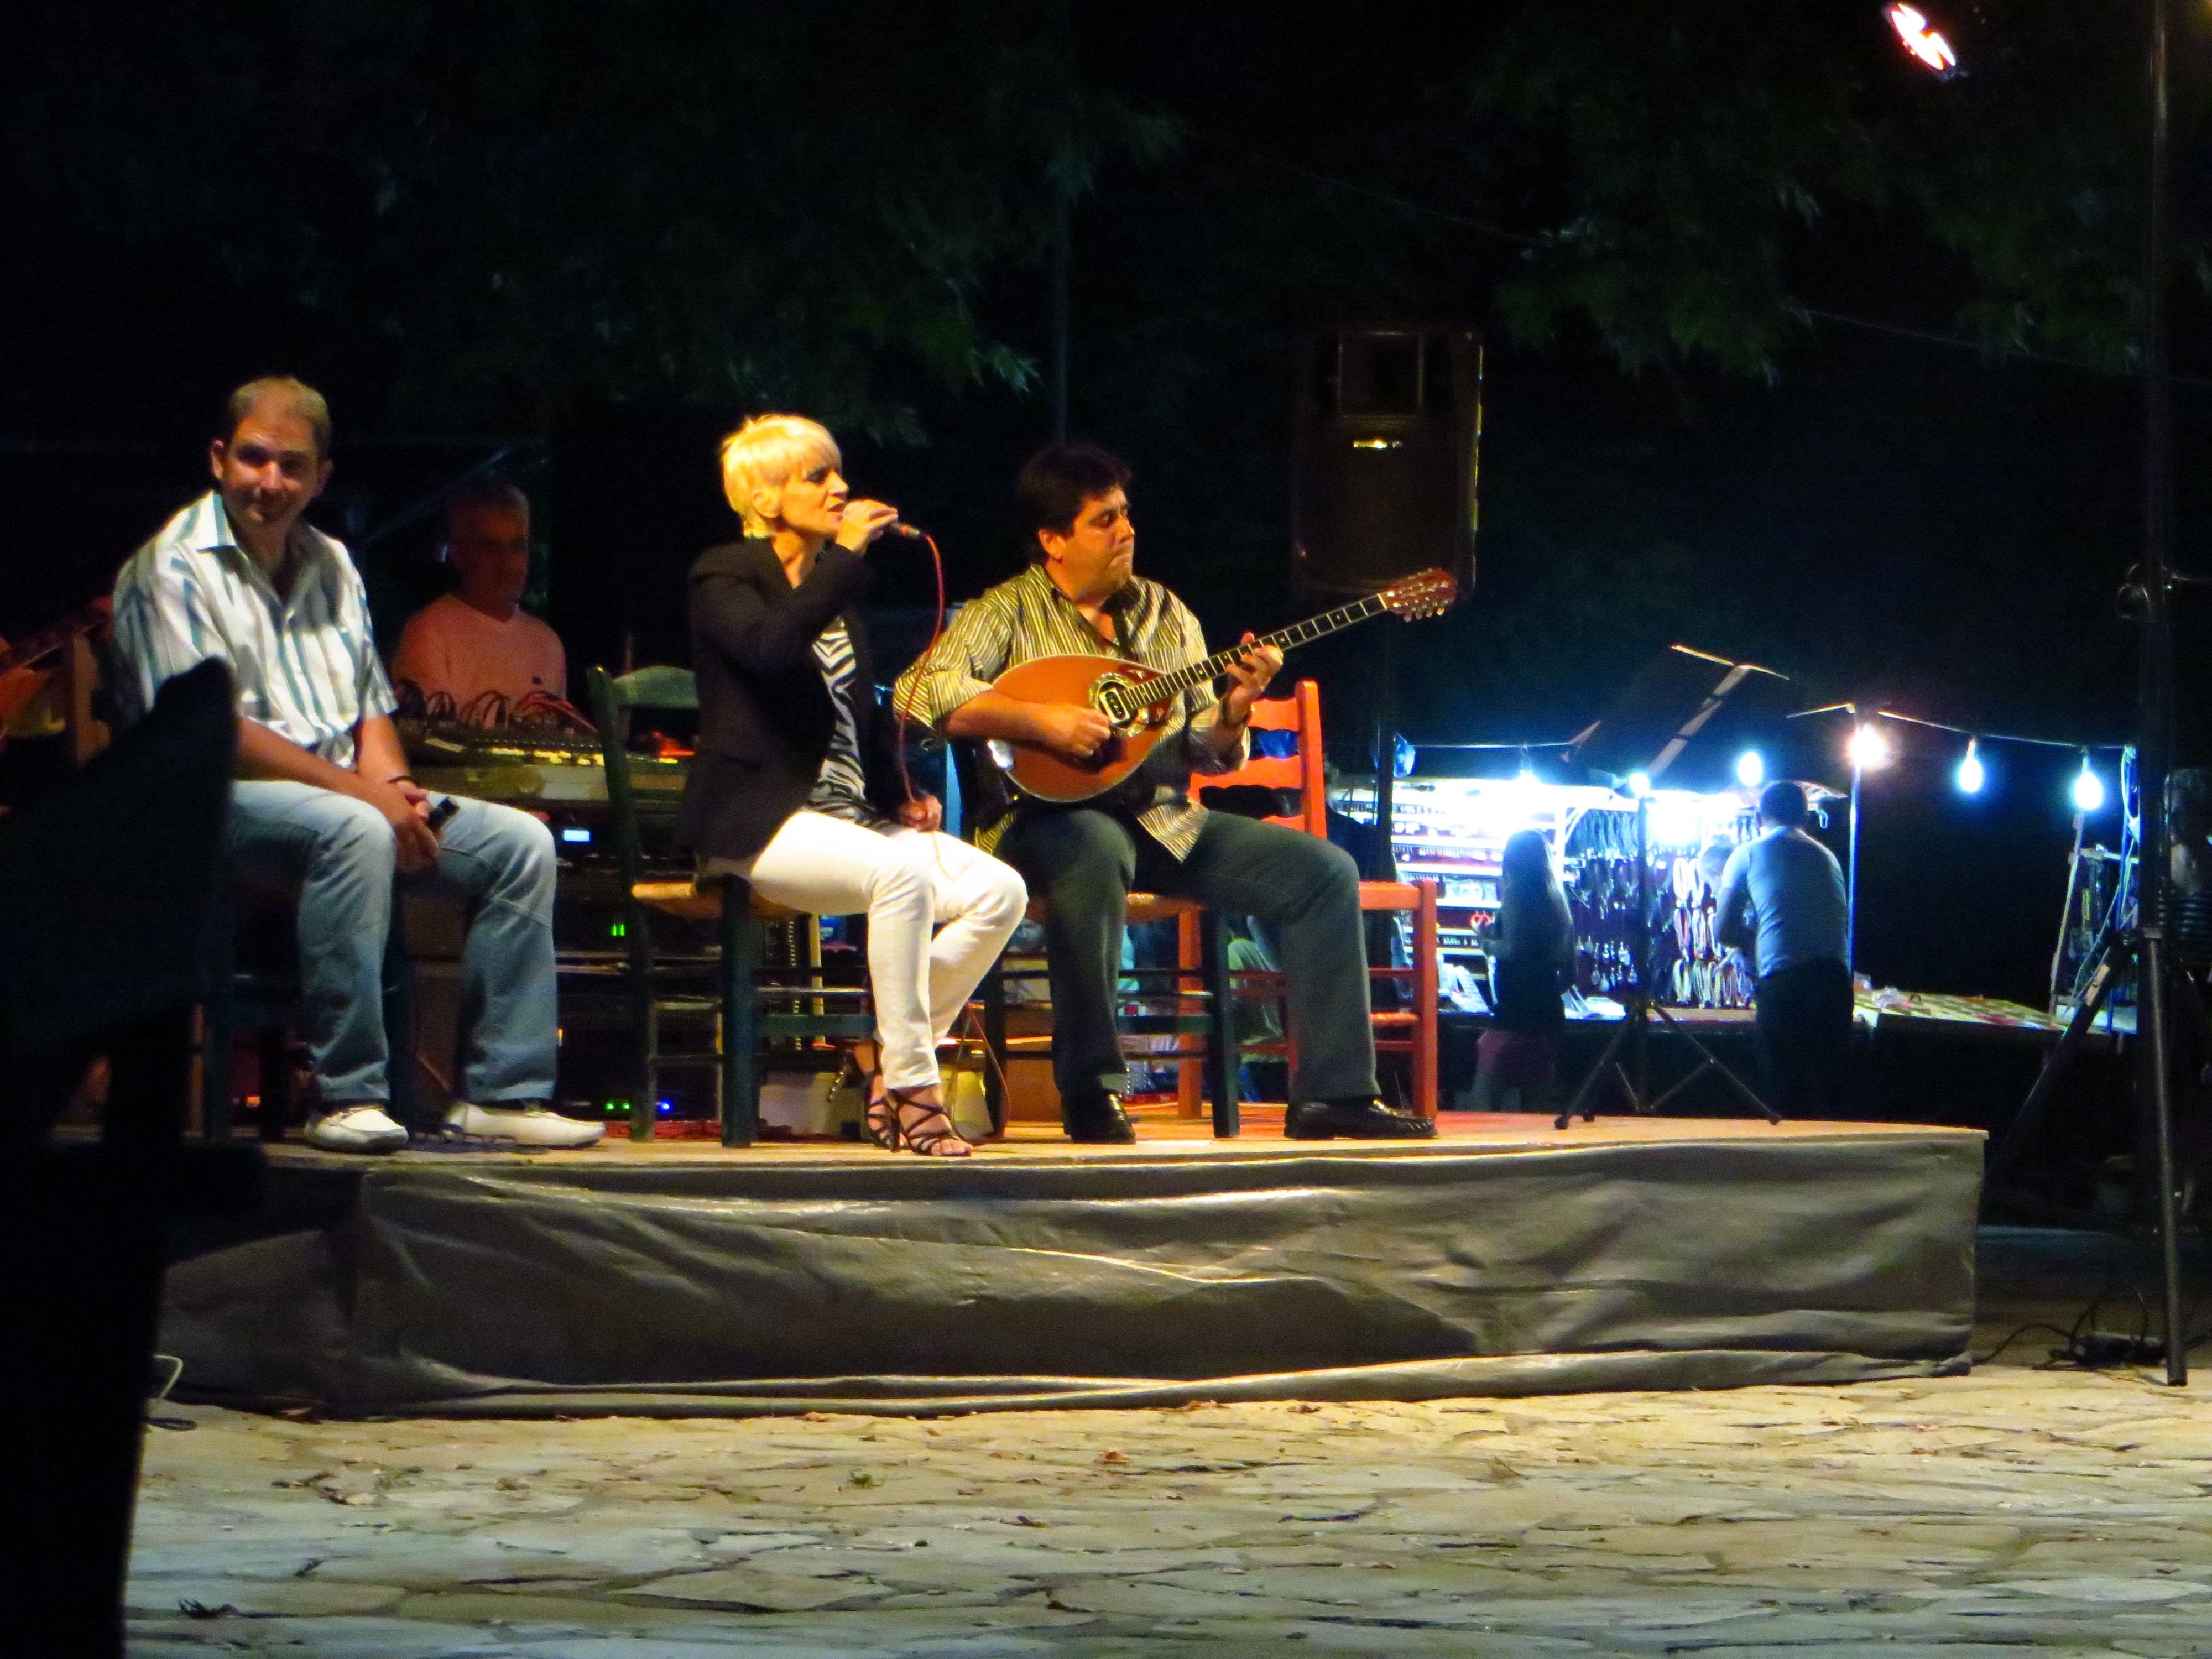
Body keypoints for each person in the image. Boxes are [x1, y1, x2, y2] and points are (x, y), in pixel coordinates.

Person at [894, 441, 1433, 1143]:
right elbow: (918, 692)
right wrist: (1041, 722)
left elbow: (1203, 747)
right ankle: (1092, 1090)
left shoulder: (1166, 613)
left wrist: (1235, 709)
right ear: (1054, 540)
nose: (1126, 531)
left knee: (1323, 871)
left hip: (1161, 818)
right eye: (1104, 520)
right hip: (1044, 821)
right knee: (1094, 847)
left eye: (1126, 515)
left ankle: (1334, 1093)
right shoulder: (1006, 612)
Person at [111, 377, 598, 1152]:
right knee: (355, 829)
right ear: (218, 458)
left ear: (321, 477)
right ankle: (346, 1092)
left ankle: (503, 1092)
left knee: (521, 845)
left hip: (339, 799)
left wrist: (397, 788)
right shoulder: (170, 567)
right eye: (254, 458)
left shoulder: (333, 563)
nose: (271, 481)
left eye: (292, 465)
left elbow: (370, 708)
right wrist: (367, 798)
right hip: (206, 808)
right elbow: (213, 731)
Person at [675, 414, 1027, 1157]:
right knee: (900, 875)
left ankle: (888, 1060)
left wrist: (898, 793)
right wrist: (842, 560)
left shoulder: (838, 598)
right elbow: (769, 652)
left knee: (1000, 891)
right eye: (817, 477)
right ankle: (915, 1089)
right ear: (765, 498)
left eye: (838, 473)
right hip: (759, 819)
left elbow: (861, 718)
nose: (840, 488)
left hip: (849, 820)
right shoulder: (725, 575)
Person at [1714, 780, 1853, 1115]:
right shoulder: (1828, 857)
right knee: (1829, 1099)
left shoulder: (1747, 853)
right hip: (1836, 985)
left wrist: (1750, 942)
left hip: (1787, 987)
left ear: (1758, 817)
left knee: (1783, 1097)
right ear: (1805, 817)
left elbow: (1723, 930)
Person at [389, 479, 566, 715]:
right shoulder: (430, 634)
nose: (508, 563)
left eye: (517, 546)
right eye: (490, 548)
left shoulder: (547, 642)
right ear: (459, 555)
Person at [1471, 827, 1573, 1112]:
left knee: (1484, 1100)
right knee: (1538, 1103)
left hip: (1516, 1010)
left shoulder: (1516, 893)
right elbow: (1569, 970)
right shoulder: (1558, 899)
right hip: (1549, 1014)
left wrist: (1485, 942)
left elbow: (1514, 949)